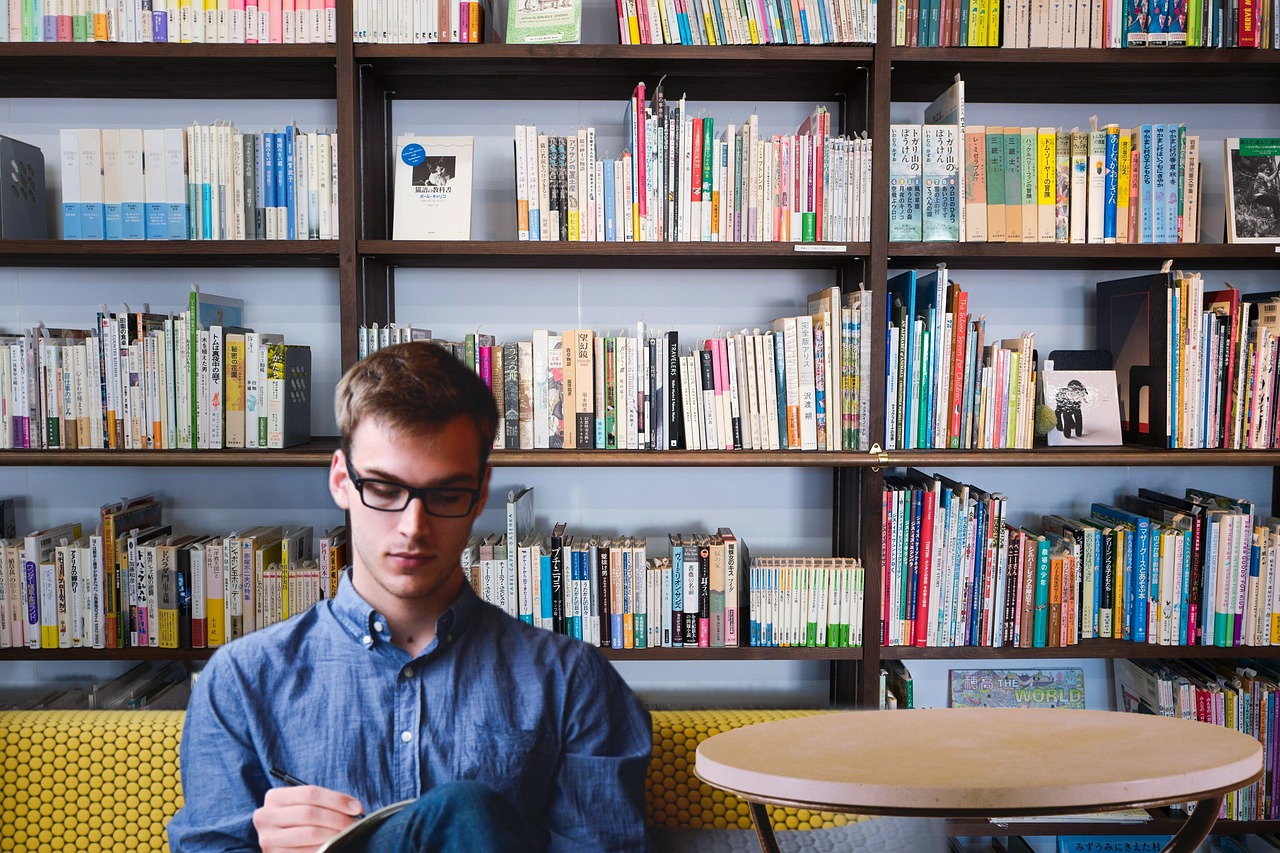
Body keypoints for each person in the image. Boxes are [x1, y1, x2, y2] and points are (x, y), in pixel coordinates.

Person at [168, 342, 653, 853]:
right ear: (341, 480)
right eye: (382, 488)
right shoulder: (242, 681)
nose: (412, 527)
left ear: (481, 491)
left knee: (467, 811)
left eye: (445, 494)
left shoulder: (572, 681)